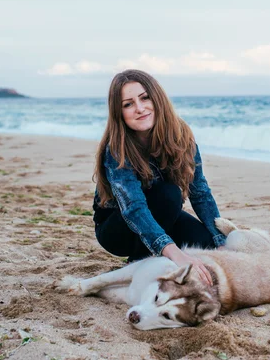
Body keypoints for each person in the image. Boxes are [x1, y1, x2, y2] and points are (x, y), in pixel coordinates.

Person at [92, 69, 225, 286]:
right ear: (119, 112)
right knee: (168, 194)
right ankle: (139, 261)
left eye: (145, 98)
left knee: (206, 244)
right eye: (128, 104)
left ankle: (157, 251)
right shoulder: (117, 149)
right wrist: (174, 252)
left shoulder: (181, 137)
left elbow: (200, 193)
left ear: (157, 98)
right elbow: (133, 209)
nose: (140, 108)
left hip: (163, 214)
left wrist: (221, 241)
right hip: (118, 226)